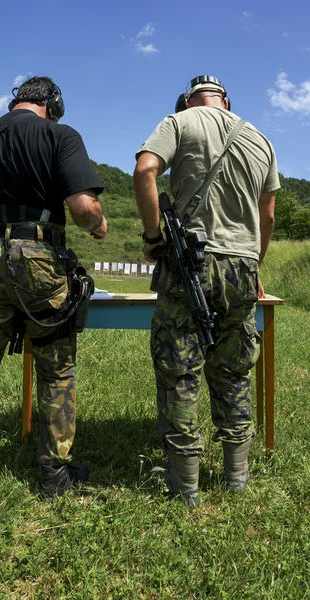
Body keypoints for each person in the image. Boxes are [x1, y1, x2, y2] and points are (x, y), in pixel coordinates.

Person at [0, 76, 107, 500]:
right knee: (57, 370)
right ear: (52, 103)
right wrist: (97, 225)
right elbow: (84, 207)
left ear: (18, 100)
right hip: (40, 259)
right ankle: (54, 474)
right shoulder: (60, 135)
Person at [134, 75, 278, 506]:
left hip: (191, 263)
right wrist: (253, 264)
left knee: (180, 370)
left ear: (188, 99)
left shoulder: (180, 121)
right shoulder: (260, 139)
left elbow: (145, 169)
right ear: (227, 102)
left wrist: (152, 235)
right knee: (235, 370)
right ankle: (237, 475)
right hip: (244, 266)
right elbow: (267, 217)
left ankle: (185, 480)